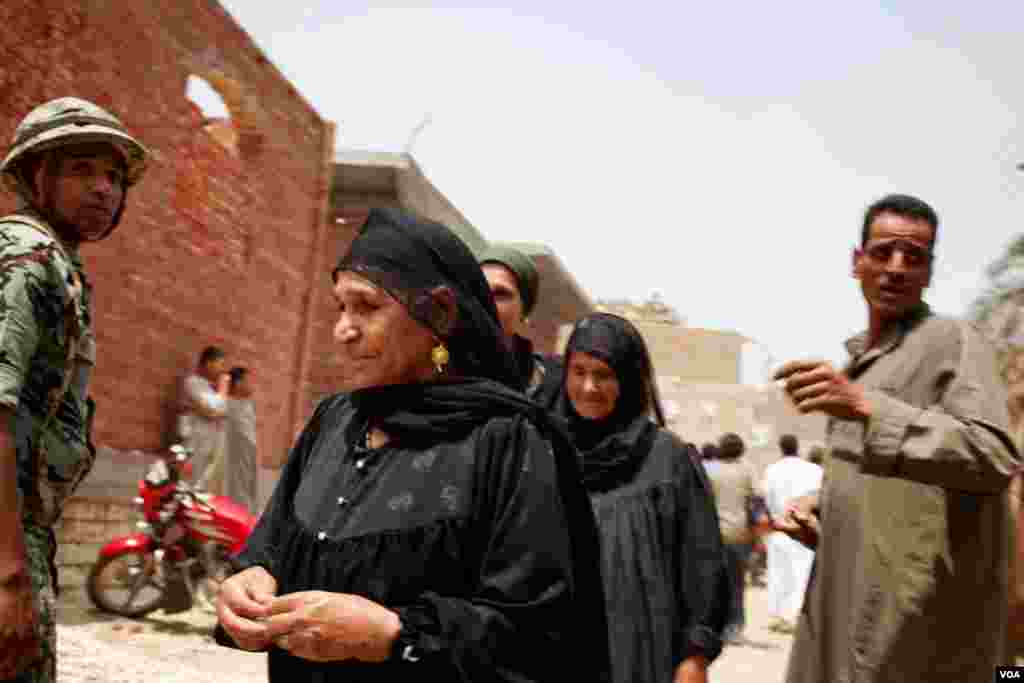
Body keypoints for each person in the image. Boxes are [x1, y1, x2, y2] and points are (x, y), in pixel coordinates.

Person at [214, 208, 611, 682]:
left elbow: (541, 637)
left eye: (367, 307)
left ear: (440, 314)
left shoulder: (509, 441)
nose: (343, 329)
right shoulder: (334, 421)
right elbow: (271, 545)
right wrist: (248, 580)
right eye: (340, 307)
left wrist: (394, 635)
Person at [774, 193, 1019, 681]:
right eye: (883, 251)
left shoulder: (953, 341)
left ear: (930, 271)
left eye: (915, 256)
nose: (897, 267)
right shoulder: (864, 361)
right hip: (844, 607)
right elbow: (899, 489)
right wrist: (822, 505)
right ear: (856, 261)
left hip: (911, 633)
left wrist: (868, 407)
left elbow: (993, 455)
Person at [0, 97, 148, 682]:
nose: (103, 189)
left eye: (113, 177)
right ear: (38, 176)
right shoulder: (26, 257)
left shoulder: (55, 261)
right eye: (82, 170)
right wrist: (8, 573)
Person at [553, 312, 729, 683]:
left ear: (628, 380)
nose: (588, 387)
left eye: (603, 375)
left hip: (641, 650)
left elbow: (702, 561)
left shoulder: (667, 459)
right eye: (578, 371)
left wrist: (695, 657)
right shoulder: (545, 451)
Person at [479, 246, 561, 405]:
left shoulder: (552, 385)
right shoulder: (439, 369)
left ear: (524, 308)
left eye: (501, 294)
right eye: (478, 290)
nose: (487, 302)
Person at [759, 434, 822, 634]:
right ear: (798, 447)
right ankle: (794, 616)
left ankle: (776, 615)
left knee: (777, 574)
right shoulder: (813, 470)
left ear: (780, 448)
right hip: (802, 529)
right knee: (801, 574)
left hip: (778, 528)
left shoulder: (772, 470)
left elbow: (766, 498)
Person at [704, 432, 757, 644]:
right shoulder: (747, 471)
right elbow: (754, 502)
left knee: (713, 583)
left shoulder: (710, 470)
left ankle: (712, 626)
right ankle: (734, 628)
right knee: (736, 584)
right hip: (739, 534)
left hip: (713, 535)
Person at [178, 346, 229, 492]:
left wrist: (217, 412)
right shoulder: (193, 383)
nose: (221, 369)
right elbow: (211, 410)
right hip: (195, 442)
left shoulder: (210, 387)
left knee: (202, 488)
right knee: (187, 486)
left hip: (210, 444)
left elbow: (221, 412)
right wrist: (223, 388)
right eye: (220, 364)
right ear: (208, 363)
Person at [222, 366, 258, 513]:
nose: (252, 385)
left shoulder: (247, 405)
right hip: (233, 460)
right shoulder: (227, 405)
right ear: (238, 384)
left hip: (249, 458)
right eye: (248, 381)